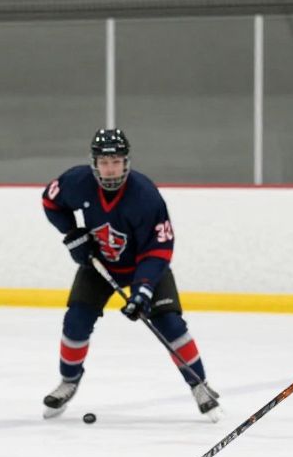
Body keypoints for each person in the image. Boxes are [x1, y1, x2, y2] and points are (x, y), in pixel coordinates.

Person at [40, 128, 221, 421]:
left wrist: (144, 290)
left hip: (144, 267)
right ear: (94, 163)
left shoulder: (145, 195)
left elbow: (159, 248)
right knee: (75, 320)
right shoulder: (77, 182)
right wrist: (73, 234)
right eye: (104, 162)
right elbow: (50, 201)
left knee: (171, 324)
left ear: (126, 162)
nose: (110, 169)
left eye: (116, 161)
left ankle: (200, 385)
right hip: (99, 265)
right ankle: (68, 381)